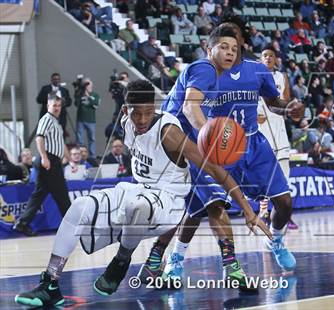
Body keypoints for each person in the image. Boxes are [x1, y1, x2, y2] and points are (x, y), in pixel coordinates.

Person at [14, 79, 269, 307]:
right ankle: (50, 283)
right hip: (140, 191)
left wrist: (247, 210)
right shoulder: (126, 123)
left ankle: (121, 262)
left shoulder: (168, 132)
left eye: (149, 112)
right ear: (126, 111)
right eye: (138, 113)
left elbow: (213, 167)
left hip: (170, 203)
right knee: (78, 208)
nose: (144, 119)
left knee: (139, 205)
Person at [139, 16, 303, 290]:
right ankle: (174, 262)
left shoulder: (255, 70)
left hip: (246, 142)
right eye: (225, 43)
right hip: (199, 144)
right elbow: (191, 108)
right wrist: (209, 136)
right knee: (201, 207)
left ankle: (273, 241)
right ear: (211, 46)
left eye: (235, 43)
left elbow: (273, 102)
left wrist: (288, 109)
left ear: (242, 42)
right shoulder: (205, 69)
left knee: (283, 202)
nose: (231, 48)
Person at [13, 91, 71, 237]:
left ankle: (22, 223)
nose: (57, 108)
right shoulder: (46, 119)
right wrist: (45, 157)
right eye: (54, 105)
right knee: (62, 195)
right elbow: (39, 138)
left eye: (59, 105)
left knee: (39, 194)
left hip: (52, 160)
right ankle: (72, 226)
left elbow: (60, 143)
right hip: (48, 160)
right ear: (47, 105)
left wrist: (69, 158)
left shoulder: (56, 122)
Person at [257, 45, 299, 230]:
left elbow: (286, 102)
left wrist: (293, 109)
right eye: (264, 55)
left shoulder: (282, 77)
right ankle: (263, 213)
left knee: (283, 176)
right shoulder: (254, 77)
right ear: (260, 59)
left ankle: (284, 213)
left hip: (279, 129)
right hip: (262, 129)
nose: (268, 58)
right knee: (266, 175)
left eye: (271, 55)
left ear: (276, 60)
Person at [75, 78, 100, 158]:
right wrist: (79, 92)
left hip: (91, 120)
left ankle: (92, 156)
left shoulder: (95, 95)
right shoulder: (79, 94)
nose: (87, 86)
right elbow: (76, 103)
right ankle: (80, 155)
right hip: (81, 119)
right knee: (80, 139)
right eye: (86, 84)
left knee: (92, 139)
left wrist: (88, 96)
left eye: (88, 84)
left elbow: (95, 104)